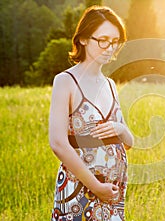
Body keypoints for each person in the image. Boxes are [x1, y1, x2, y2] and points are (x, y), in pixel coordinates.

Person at [49, 5, 134, 221]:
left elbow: (128, 141)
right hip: (81, 189)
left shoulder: (111, 85)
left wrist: (120, 128)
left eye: (115, 42)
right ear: (84, 39)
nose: (109, 48)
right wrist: (95, 186)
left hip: (112, 192)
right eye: (103, 39)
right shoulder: (66, 81)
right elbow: (58, 143)